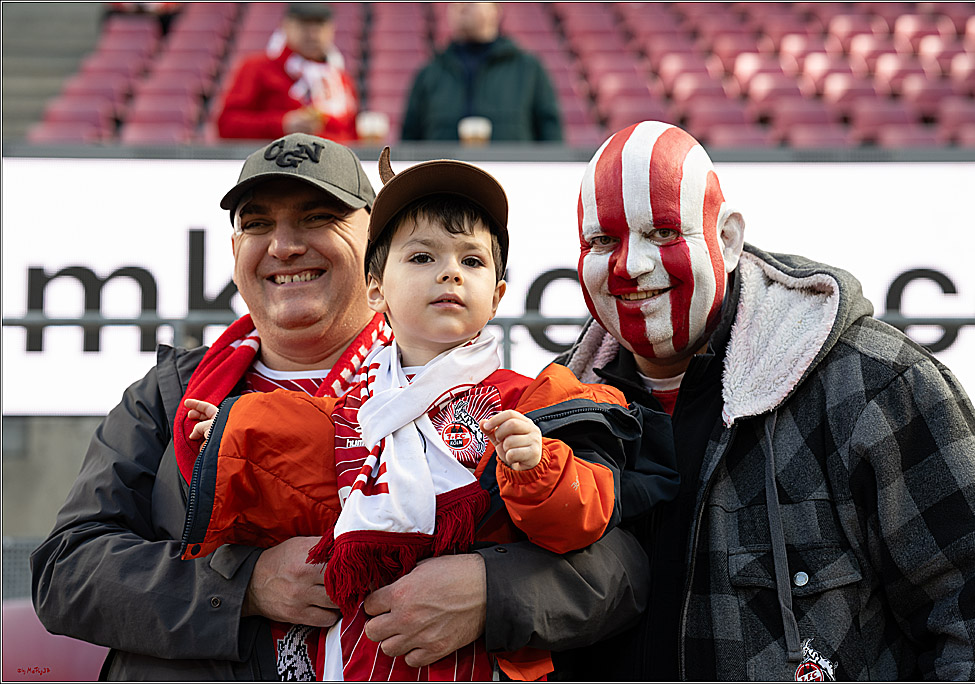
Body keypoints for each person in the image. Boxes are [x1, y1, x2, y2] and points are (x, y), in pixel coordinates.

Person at [29, 132, 651, 680]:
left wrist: (494, 592)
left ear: (372, 244)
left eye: (317, 216)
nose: (284, 245)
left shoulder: (501, 394)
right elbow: (67, 572)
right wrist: (243, 587)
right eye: (257, 224)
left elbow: (621, 568)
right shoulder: (169, 395)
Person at [550, 120, 975, 681]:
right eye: (603, 241)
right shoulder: (555, 411)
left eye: (662, 233)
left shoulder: (878, 386)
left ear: (725, 239)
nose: (631, 265)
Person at [401, 2, 562, 142]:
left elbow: (551, 137)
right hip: (444, 177)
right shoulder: (429, 73)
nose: (461, 5)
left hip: (510, 176)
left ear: (496, 10)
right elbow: (410, 141)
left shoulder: (529, 70)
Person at [216, 3, 359, 143]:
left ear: (331, 30)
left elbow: (351, 135)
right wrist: (282, 125)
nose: (313, 34)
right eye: (304, 25)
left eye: (320, 26)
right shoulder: (257, 69)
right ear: (286, 26)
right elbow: (227, 125)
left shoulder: (340, 79)